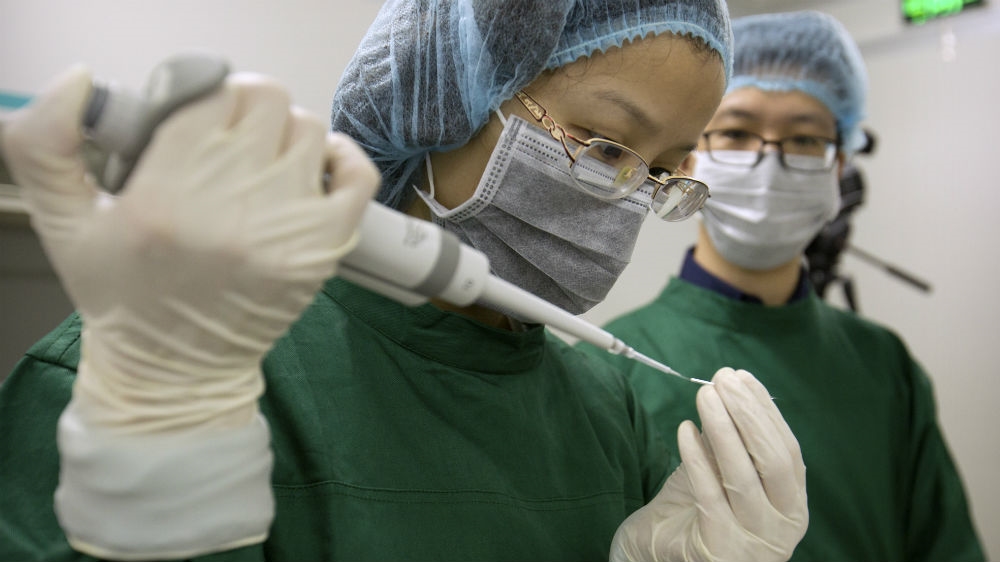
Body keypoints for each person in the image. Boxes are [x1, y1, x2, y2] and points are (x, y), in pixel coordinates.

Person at [0, 1, 810, 561]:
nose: (628, 199)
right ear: (449, 94)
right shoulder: (171, 363)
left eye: (664, 172)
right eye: (603, 147)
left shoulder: (604, 402)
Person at [577, 10, 986, 562]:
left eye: (804, 139)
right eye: (738, 132)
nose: (768, 159)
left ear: (840, 163)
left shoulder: (884, 366)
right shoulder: (610, 371)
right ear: (691, 155)